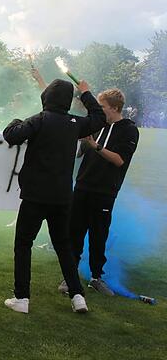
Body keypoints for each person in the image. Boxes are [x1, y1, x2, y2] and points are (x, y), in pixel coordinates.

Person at [2, 78, 106, 314]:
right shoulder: (75, 124)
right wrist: (87, 94)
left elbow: (11, 135)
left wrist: (16, 120)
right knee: (64, 246)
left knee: (23, 245)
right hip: (62, 198)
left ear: (46, 97)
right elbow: (99, 118)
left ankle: (22, 298)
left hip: (35, 197)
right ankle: (78, 296)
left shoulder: (39, 120)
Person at [61, 89, 139, 297]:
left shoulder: (129, 130)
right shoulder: (97, 125)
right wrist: (79, 142)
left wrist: (95, 146)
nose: (99, 110)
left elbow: (119, 160)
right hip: (82, 186)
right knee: (74, 232)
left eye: (102, 106)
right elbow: (79, 153)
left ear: (114, 108)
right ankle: (70, 278)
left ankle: (96, 277)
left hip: (105, 191)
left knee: (98, 234)